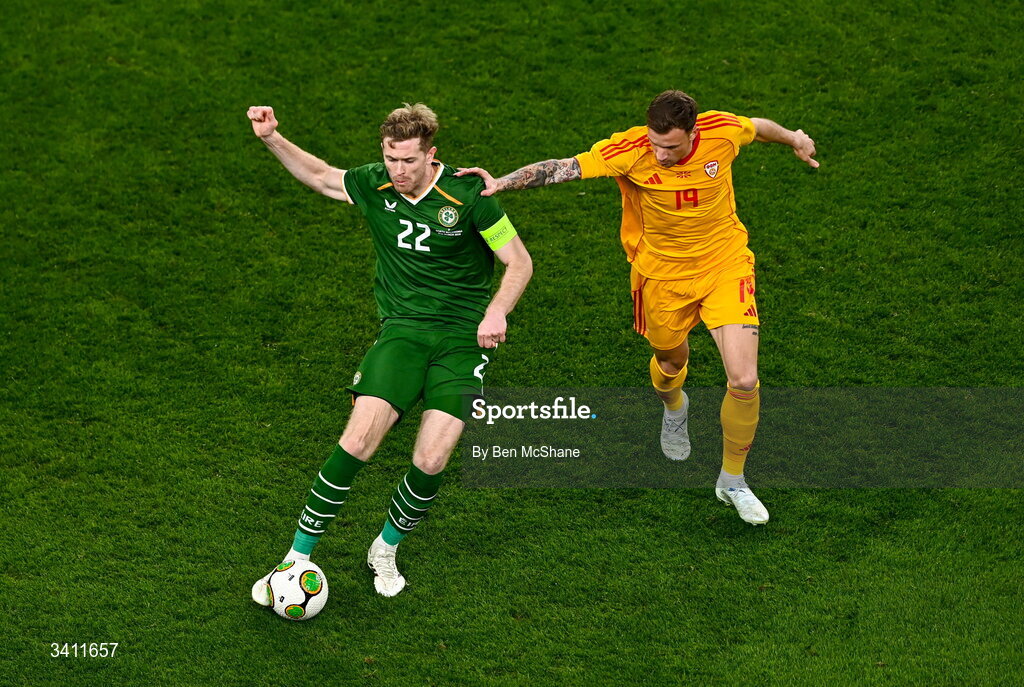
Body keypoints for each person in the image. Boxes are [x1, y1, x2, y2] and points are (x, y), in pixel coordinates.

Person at [457, 90, 817, 525]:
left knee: (744, 380)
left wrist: (794, 138)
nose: (660, 155)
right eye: (655, 144)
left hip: (725, 264)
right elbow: (563, 169)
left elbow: (757, 127)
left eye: (670, 147)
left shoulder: (721, 132)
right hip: (660, 277)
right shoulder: (630, 151)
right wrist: (502, 182)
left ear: (694, 132)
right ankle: (674, 407)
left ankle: (732, 480)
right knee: (670, 359)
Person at [246, 103, 533, 599]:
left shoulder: (469, 197)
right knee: (358, 439)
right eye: (390, 158)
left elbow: (519, 262)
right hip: (402, 332)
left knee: (433, 456)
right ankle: (296, 557)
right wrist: (272, 137)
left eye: (407, 161)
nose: (397, 171)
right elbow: (322, 178)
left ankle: (385, 546)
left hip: (462, 340)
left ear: (431, 154)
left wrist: (496, 312)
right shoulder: (374, 183)